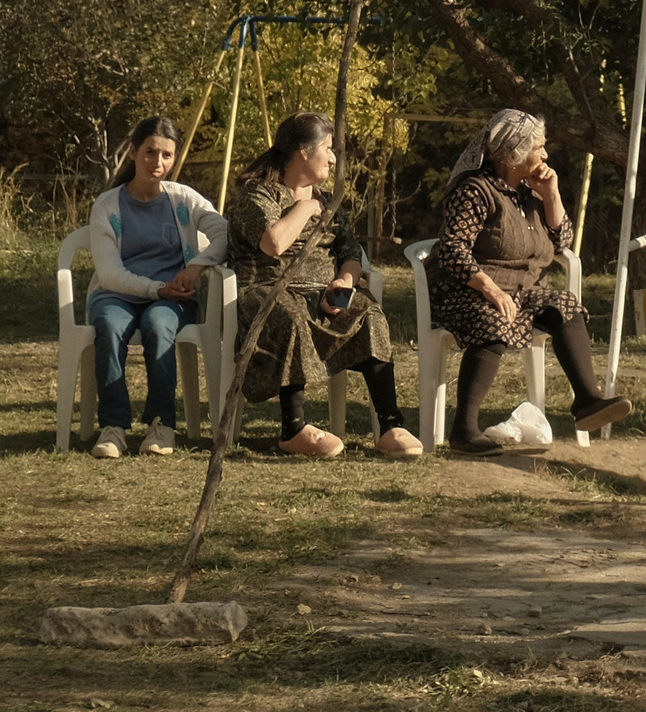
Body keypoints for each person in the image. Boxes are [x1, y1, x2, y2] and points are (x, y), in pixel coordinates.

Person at [425, 110, 634, 454]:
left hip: (522, 290)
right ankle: (464, 430)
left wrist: (551, 194)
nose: (546, 155)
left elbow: (562, 241)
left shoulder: (529, 191)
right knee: (494, 319)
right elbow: (452, 250)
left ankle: (587, 400)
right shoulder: (475, 192)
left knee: (565, 305)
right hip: (466, 290)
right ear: (513, 155)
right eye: (539, 147)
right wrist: (491, 290)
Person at [225, 112, 415, 459]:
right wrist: (307, 206)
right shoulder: (256, 195)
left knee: (370, 315)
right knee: (290, 315)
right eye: (327, 148)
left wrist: (344, 283)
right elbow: (274, 243)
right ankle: (293, 429)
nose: (333, 158)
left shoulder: (331, 202)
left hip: (323, 291)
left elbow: (350, 252)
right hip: (267, 289)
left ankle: (390, 425)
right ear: (303, 151)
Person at [85, 116, 228, 461]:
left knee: (158, 324)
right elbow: (109, 274)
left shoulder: (183, 199)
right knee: (109, 324)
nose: (158, 162)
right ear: (133, 153)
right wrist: (158, 289)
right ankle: (113, 426)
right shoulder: (107, 204)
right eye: (150, 152)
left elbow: (225, 233)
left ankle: (161, 425)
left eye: (166, 155)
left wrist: (196, 266)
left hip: (173, 301)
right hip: (117, 296)